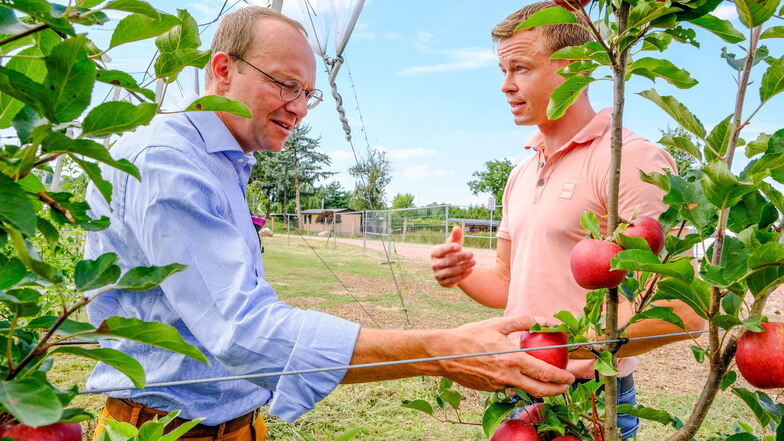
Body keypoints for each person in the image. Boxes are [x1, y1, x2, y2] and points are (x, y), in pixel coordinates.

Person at [85, 7, 575, 441]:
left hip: (229, 423)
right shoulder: (169, 163)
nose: (298, 107)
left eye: (306, 93)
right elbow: (243, 332)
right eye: (284, 83)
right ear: (222, 69)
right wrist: (441, 348)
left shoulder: (220, 163)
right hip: (162, 430)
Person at [429, 3, 705, 439]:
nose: (505, 85)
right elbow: (507, 282)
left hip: (590, 394)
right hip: (516, 385)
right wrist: (462, 273)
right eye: (502, 70)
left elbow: (686, 311)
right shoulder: (522, 170)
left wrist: (571, 348)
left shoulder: (629, 160)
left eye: (520, 68)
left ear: (576, 68)